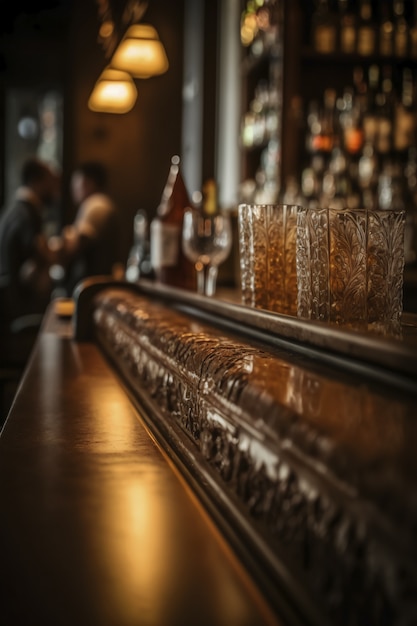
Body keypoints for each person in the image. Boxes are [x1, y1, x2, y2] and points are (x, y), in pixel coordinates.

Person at [0, 157, 60, 324]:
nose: (54, 188)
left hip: (8, 306)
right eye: (49, 181)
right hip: (20, 310)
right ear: (35, 181)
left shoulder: (13, 210)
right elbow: (34, 264)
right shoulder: (29, 214)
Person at [54, 161, 120, 295]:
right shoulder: (101, 203)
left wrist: (64, 239)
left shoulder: (96, 205)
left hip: (93, 286)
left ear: (88, 182)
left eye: (76, 182)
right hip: (99, 284)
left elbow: (77, 243)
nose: (73, 188)